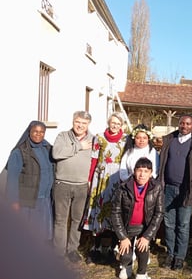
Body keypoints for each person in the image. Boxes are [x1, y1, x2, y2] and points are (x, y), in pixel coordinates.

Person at [159, 114, 192, 270]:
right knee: (169, 224)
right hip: (168, 189)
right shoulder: (170, 140)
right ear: (178, 124)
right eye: (181, 123)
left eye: (188, 124)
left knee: (183, 225)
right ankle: (170, 254)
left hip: (185, 191)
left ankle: (180, 257)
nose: (184, 126)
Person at [82, 112, 128, 264]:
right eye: (113, 122)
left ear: (121, 125)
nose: (115, 125)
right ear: (109, 123)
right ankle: (95, 248)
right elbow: (94, 160)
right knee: (98, 211)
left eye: (118, 123)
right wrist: (89, 180)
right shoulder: (99, 137)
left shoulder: (125, 139)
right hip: (100, 178)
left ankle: (110, 249)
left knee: (114, 212)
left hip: (116, 179)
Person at [112, 157, 164, 279]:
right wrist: (123, 237)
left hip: (145, 226)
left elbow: (159, 213)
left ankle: (142, 273)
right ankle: (126, 266)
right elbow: (116, 212)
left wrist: (147, 236)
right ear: (134, 171)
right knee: (126, 255)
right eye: (139, 170)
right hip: (127, 226)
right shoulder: (123, 187)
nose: (142, 174)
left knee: (142, 250)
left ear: (151, 174)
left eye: (146, 171)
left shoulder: (156, 188)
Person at [52, 110, 94, 263]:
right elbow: (56, 153)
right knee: (60, 220)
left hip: (82, 186)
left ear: (88, 124)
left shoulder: (94, 139)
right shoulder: (63, 136)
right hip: (62, 183)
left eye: (84, 123)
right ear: (73, 121)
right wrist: (79, 146)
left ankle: (72, 249)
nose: (80, 125)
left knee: (77, 219)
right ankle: (58, 251)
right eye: (78, 122)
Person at [5, 120, 55, 242]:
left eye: (42, 132)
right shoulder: (20, 152)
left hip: (45, 199)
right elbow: (12, 178)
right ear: (29, 132)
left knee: (42, 234)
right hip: (28, 200)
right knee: (27, 235)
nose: (38, 134)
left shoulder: (47, 148)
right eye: (35, 131)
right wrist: (13, 201)